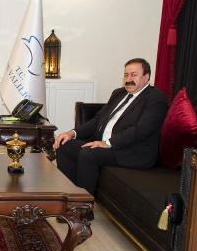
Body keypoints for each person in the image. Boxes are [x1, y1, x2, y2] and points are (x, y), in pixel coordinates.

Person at [54, 58, 168, 195]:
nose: (128, 79)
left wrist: (108, 143)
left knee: (88, 153)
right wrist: (72, 133)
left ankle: (83, 203)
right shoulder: (118, 93)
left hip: (132, 151)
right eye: (126, 75)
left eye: (134, 75)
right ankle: (68, 194)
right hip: (105, 145)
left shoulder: (156, 97)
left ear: (146, 77)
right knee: (64, 144)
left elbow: (141, 130)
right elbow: (97, 120)